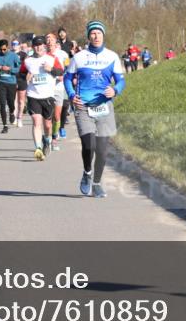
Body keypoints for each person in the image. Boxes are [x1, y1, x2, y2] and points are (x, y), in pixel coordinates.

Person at [65, 20, 126, 198]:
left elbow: (121, 80)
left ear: (103, 35)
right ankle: (87, 173)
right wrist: (70, 94)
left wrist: (115, 90)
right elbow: (68, 78)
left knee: (102, 150)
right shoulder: (79, 57)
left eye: (99, 33)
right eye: (92, 33)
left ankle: (97, 183)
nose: (96, 36)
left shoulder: (112, 57)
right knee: (89, 145)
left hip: (104, 107)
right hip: (83, 106)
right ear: (88, 36)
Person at [23, 35, 64, 161]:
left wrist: (50, 69)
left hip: (48, 96)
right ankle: (38, 148)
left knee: (47, 125)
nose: (38, 48)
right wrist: (25, 77)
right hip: (33, 95)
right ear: (33, 47)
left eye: (40, 45)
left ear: (44, 46)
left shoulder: (51, 58)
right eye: (36, 45)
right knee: (36, 121)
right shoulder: (27, 61)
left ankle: (47, 140)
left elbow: (61, 72)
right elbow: (20, 74)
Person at [46, 32, 71, 150]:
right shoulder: (43, 54)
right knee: (47, 116)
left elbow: (68, 67)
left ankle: (54, 137)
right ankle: (48, 138)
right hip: (46, 89)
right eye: (47, 39)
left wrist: (64, 76)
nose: (48, 40)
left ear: (56, 41)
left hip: (59, 88)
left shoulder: (63, 54)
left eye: (50, 38)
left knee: (56, 116)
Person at [0, 38, 21, 134]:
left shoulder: (14, 56)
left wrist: (9, 69)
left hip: (11, 82)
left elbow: (19, 69)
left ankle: (12, 112)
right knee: (2, 104)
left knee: (11, 103)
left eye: (4, 49)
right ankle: (5, 125)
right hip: (1, 82)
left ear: (7, 47)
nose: (2, 51)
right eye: (1, 49)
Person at [15, 41, 28, 127]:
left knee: (21, 100)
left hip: (22, 78)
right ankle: (15, 117)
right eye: (12, 44)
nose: (14, 46)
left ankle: (20, 117)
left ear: (19, 46)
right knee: (13, 100)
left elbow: (27, 66)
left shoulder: (24, 55)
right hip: (12, 78)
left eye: (16, 44)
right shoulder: (9, 54)